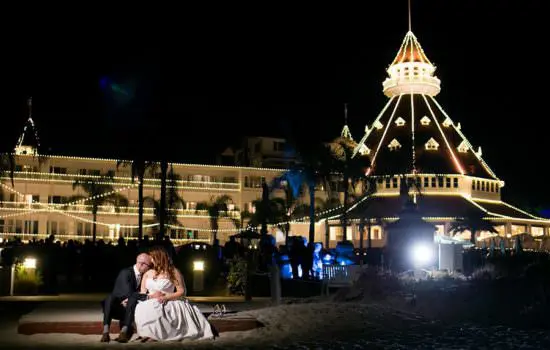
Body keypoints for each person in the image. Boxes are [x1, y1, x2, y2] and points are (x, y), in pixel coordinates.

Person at [134, 246, 218, 342]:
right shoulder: (148, 273)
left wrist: (167, 297)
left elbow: (181, 291)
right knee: (142, 307)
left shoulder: (173, 272)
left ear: (159, 258)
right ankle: (147, 333)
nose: (150, 261)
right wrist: (145, 297)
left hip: (168, 299)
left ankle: (156, 334)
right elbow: (143, 292)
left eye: (152, 258)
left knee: (155, 308)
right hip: (150, 299)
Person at [100, 252, 161, 343]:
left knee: (132, 299)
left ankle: (123, 333)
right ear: (141, 264)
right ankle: (105, 332)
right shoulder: (125, 273)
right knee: (111, 297)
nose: (150, 268)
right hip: (118, 307)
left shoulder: (144, 275)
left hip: (131, 306)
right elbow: (128, 294)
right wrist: (149, 296)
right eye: (149, 266)